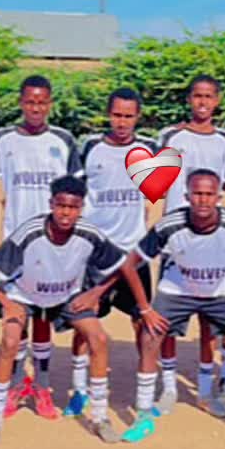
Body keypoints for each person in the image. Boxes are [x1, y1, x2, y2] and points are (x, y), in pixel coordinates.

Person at [0, 176, 137, 446]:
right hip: (23, 297)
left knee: (99, 338)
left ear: (81, 208)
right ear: (51, 204)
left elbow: (124, 265)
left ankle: (100, 417)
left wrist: (96, 292)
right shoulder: (30, 231)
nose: (66, 213)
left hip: (66, 298)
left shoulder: (89, 232)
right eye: (61, 206)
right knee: (10, 341)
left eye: (73, 207)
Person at [116, 169, 225, 445]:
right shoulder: (169, 225)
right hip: (177, 289)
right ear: (187, 196)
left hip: (220, 291)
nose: (203, 200)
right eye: (197, 193)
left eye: (209, 194)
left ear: (219, 197)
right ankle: (144, 416)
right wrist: (145, 309)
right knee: (149, 337)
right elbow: (129, 265)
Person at [0, 75, 82, 416]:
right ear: (20, 102)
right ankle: (17, 383)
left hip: (53, 241)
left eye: (42, 102)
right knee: (16, 315)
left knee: (44, 314)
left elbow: (76, 190)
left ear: (50, 104)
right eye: (30, 101)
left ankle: (42, 385)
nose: (35, 107)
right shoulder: (1, 140)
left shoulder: (63, 140)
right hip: (16, 240)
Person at [71, 88, 155, 414]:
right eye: (117, 115)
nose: (122, 122)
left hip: (133, 251)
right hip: (97, 254)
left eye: (129, 116)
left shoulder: (148, 149)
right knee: (86, 322)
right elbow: (78, 194)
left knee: (142, 322)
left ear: (138, 117)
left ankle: (145, 392)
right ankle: (79, 390)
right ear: (109, 114)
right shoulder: (90, 148)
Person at [157, 76, 225, 409]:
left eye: (209, 96)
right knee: (167, 322)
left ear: (217, 101)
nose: (203, 102)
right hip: (175, 239)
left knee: (209, 321)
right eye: (197, 96)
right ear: (189, 99)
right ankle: (168, 388)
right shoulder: (170, 137)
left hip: (213, 241)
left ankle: (205, 388)